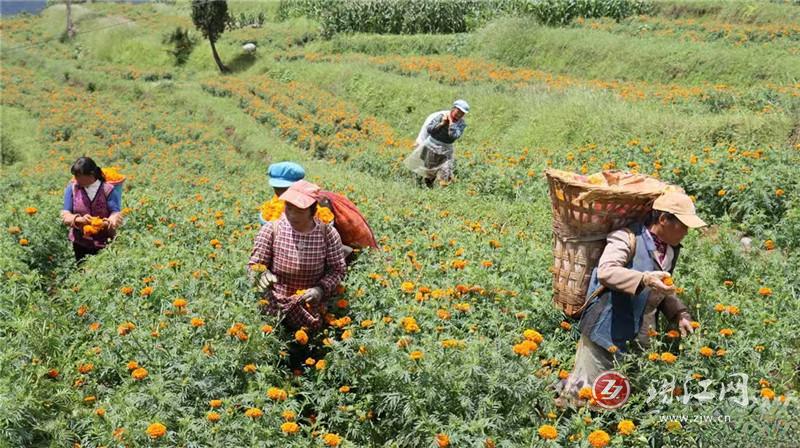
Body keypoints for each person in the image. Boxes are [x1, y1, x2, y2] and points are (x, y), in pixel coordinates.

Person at [557, 191, 706, 407]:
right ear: (663, 220)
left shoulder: (671, 250)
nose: (686, 231)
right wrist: (643, 278)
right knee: (582, 396)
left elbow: (663, 287)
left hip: (640, 337)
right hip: (605, 331)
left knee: (622, 398)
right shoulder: (626, 238)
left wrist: (679, 313)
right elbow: (606, 272)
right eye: (683, 225)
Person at [248, 179, 346, 333]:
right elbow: (254, 264)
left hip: (310, 306)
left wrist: (320, 290)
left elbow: (338, 270)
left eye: (299, 210)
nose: (292, 215)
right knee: (276, 338)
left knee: (310, 345)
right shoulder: (271, 230)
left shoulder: (327, 234)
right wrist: (261, 274)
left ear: (312, 211)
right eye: (289, 208)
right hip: (275, 306)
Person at [60, 157, 123, 263]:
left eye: (79, 176)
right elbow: (65, 213)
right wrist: (79, 220)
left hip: (104, 241)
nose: (76, 179)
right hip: (80, 242)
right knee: (83, 270)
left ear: (91, 174)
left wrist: (109, 221)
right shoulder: (72, 189)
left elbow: (115, 212)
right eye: (75, 176)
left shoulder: (108, 189)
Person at [404, 99, 469, 187]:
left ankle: (442, 189)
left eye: (462, 113)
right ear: (453, 109)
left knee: (446, 170)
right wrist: (442, 123)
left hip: (446, 148)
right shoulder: (440, 116)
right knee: (427, 170)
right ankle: (421, 185)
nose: (459, 115)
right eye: (458, 112)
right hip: (431, 145)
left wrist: (450, 123)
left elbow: (454, 136)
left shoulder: (461, 123)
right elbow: (429, 129)